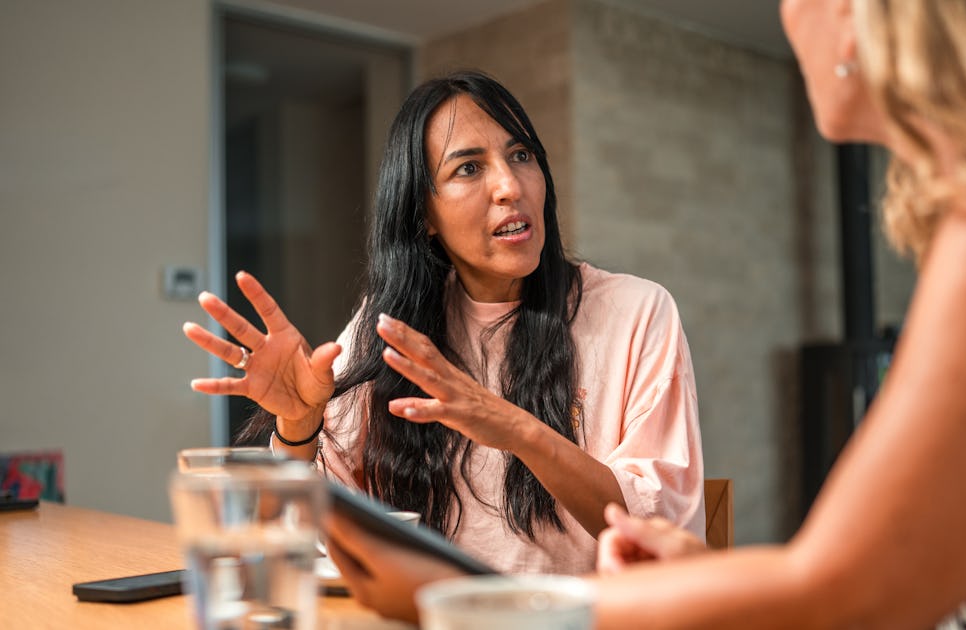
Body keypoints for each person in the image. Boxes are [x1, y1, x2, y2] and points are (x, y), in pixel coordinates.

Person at [321, 0, 966, 627]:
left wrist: (473, 608)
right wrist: (711, 575)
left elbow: (852, 593)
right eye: (468, 168)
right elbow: (867, 573)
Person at [183, 70, 705, 576]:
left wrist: (514, 428)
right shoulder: (390, 325)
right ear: (425, 216)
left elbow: (663, 535)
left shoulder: (636, 310)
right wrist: (297, 428)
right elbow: (317, 533)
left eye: (520, 155)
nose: (508, 185)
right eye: (469, 169)